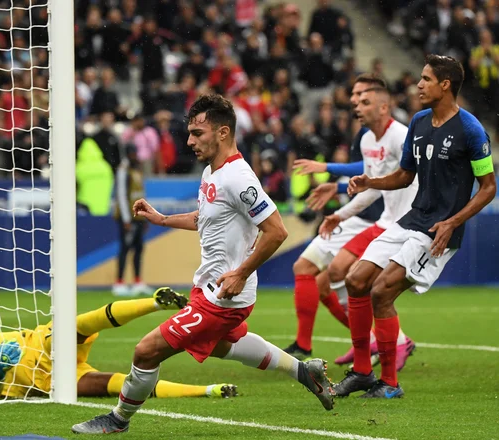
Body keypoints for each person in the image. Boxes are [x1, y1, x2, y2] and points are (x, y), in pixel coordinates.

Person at [71, 94, 335, 435]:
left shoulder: (239, 177)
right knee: (225, 346)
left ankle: (118, 419)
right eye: (190, 133)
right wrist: (162, 219)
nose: (190, 141)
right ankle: (303, 370)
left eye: (198, 133)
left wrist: (241, 272)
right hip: (210, 286)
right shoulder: (213, 171)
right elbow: (204, 217)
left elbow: (276, 230)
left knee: (146, 351)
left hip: (224, 295)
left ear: (223, 132)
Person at [339, 55, 496, 398]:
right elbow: (405, 175)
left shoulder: (470, 130)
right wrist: (371, 183)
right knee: (355, 280)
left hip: (439, 229)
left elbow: (488, 187)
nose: (418, 85)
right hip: (411, 218)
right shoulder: (419, 121)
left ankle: (390, 384)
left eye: (426, 79)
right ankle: (363, 373)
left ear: (445, 85)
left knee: (381, 291)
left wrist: (452, 222)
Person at [0, 284, 238, 400]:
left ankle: (155, 302)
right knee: (112, 385)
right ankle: (206, 390)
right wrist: (1, 372)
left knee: (73, 326)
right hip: (45, 382)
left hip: (38, 343)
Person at [284, 74, 415, 370]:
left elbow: (379, 177)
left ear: (382, 104)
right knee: (334, 277)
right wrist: (340, 203)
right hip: (377, 218)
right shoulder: (366, 135)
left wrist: (331, 174)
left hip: (399, 222)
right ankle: (369, 351)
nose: (355, 102)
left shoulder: (399, 135)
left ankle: (384, 349)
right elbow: (369, 178)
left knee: (359, 283)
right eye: (355, 96)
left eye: (362, 97)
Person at [112, 145, 153, 297]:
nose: (135, 156)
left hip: (139, 217)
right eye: (133, 153)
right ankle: (119, 282)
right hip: (128, 217)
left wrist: (146, 216)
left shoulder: (137, 169)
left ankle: (137, 281)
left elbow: (141, 194)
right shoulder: (123, 170)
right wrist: (126, 218)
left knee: (139, 248)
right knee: (125, 248)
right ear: (128, 154)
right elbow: (121, 195)